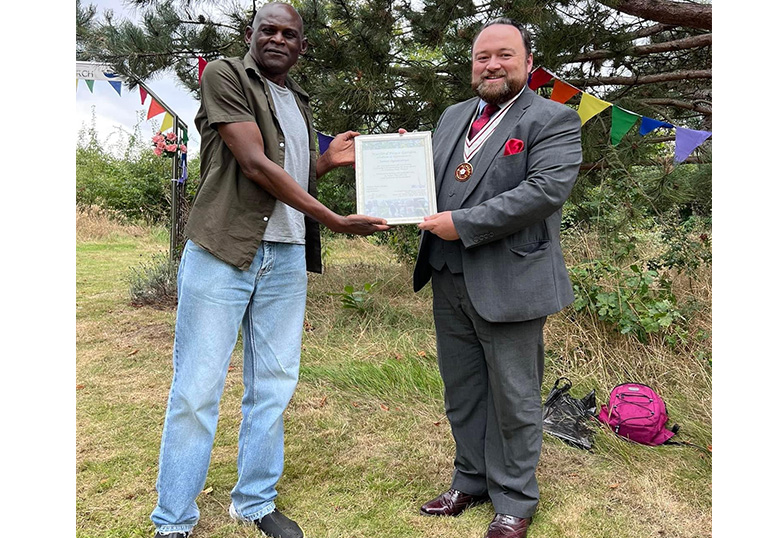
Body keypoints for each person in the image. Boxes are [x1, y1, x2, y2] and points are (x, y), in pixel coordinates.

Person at [149, 3, 389, 538]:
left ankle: (254, 502)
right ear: (251, 35)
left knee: (275, 383)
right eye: (268, 30)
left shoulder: (299, 101)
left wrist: (325, 163)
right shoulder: (225, 75)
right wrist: (336, 222)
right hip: (223, 252)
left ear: (302, 47)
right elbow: (255, 165)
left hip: (284, 256)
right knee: (196, 388)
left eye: (290, 34)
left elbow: (288, 172)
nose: (278, 39)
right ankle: (174, 520)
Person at [412, 17, 582, 538]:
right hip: (448, 275)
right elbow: (433, 180)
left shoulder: (552, 119)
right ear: (472, 66)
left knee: (515, 396)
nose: (492, 65)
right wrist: (396, 163)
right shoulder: (452, 116)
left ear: (528, 62)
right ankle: (471, 479)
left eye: (504, 55)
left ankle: (515, 498)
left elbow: (543, 192)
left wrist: (461, 224)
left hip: (512, 279)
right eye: (483, 57)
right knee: (462, 389)